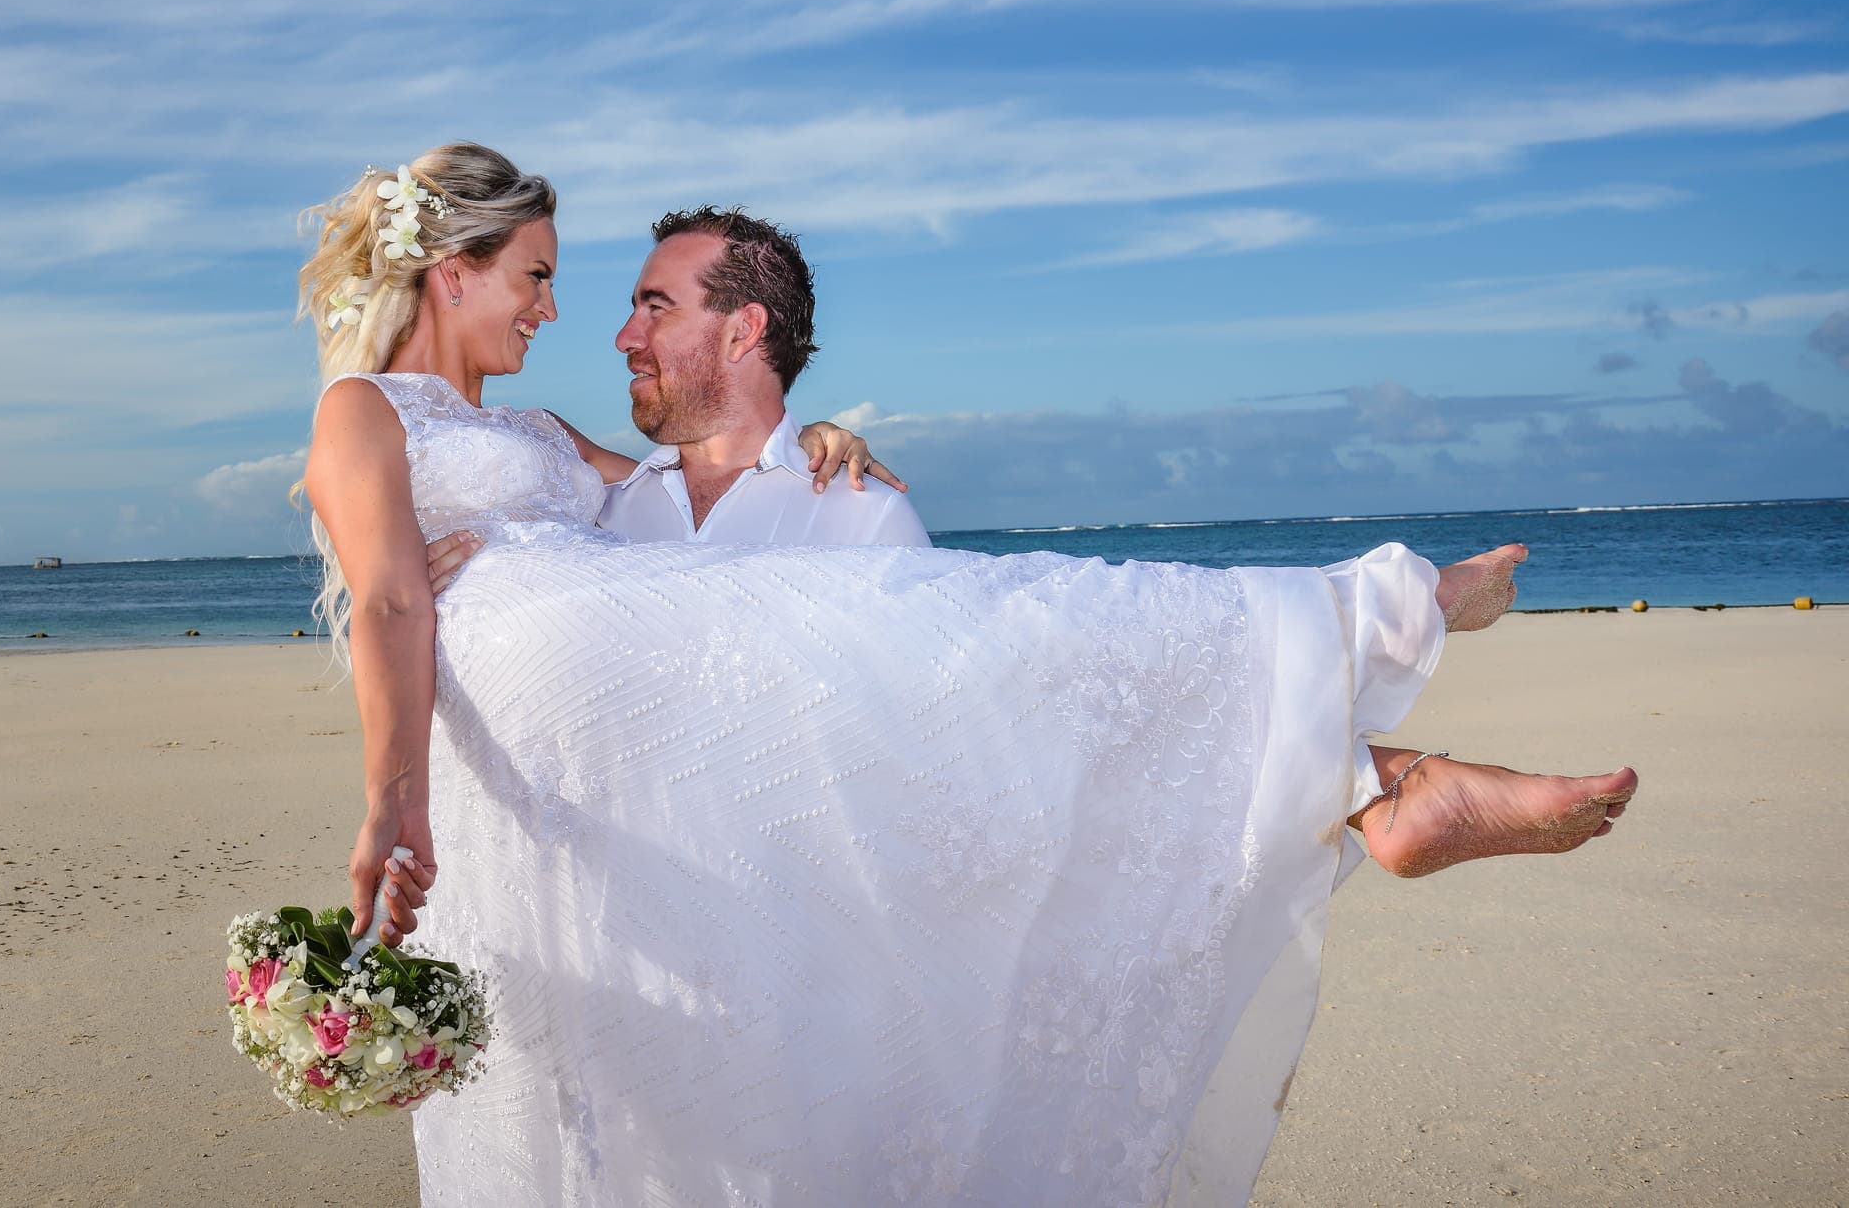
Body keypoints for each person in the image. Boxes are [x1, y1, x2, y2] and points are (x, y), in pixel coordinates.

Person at [297, 143, 1636, 1206]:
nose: (552, 307)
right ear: (452, 271)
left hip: (607, 692)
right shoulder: (359, 410)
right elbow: (390, 593)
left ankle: (1368, 758)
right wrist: (388, 799)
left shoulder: (545, 434)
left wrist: (812, 426)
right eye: (530, 274)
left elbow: (684, 460)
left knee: (959, 644)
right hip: (539, 669)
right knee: (967, 643)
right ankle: (1377, 678)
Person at [415, 206, 1616, 883]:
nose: (619, 331)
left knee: (1050, 633)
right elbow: (455, 442)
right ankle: (1379, 755)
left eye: (654, 305)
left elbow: (970, 725)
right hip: (652, 883)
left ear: (744, 330)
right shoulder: (605, 502)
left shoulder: (856, 509)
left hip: (800, 885)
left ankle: (1379, 757)